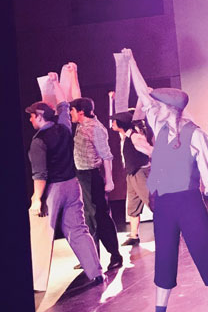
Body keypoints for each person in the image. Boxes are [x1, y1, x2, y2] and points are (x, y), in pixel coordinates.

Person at [122, 48, 208, 312]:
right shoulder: (160, 127)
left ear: (171, 109)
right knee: (164, 258)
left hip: (189, 203)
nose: (154, 108)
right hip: (164, 204)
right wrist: (132, 62)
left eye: (160, 106)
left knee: (205, 253)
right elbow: (143, 94)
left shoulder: (197, 136)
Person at [26, 74, 103, 283]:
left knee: (42, 233)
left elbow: (40, 174)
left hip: (53, 189)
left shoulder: (39, 141)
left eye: (32, 116)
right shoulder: (63, 128)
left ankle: (37, 282)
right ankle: (96, 273)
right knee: (78, 230)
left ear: (40, 116)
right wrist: (55, 83)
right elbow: (63, 106)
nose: (30, 120)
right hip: (72, 185)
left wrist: (36, 199)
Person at [70, 93, 123, 270]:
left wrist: (110, 180)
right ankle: (91, 258)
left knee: (99, 217)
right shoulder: (81, 124)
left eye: (72, 110)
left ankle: (115, 255)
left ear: (81, 112)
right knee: (87, 217)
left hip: (92, 176)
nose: (70, 113)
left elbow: (106, 156)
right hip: (82, 176)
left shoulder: (96, 128)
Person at [109, 108, 152, 247]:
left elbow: (150, 151)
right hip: (132, 174)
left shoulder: (135, 137)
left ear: (121, 124)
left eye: (115, 121)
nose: (112, 123)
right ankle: (134, 235)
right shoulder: (124, 136)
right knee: (133, 206)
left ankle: (173, 228)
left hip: (140, 172)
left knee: (152, 202)